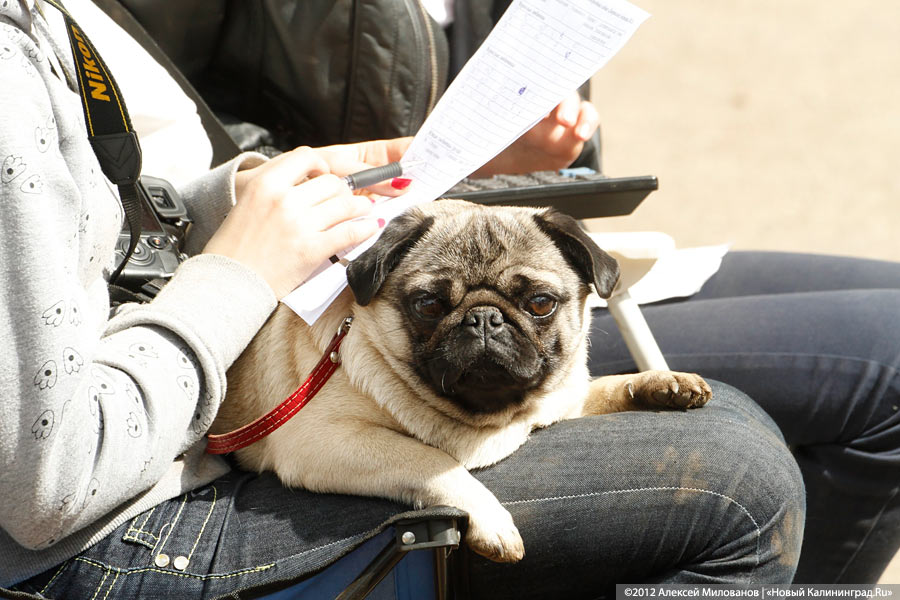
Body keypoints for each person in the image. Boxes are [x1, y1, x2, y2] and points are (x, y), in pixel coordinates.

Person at [0, 0, 806, 597]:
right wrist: (240, 268)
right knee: (739, 480)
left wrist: (241, 195)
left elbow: (99, 222)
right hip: (110, 534)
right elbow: (44, 488)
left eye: (525, 307)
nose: (483, 324)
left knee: (742, 425)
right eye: (437, 308)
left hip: (178, 391)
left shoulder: (41, 23)